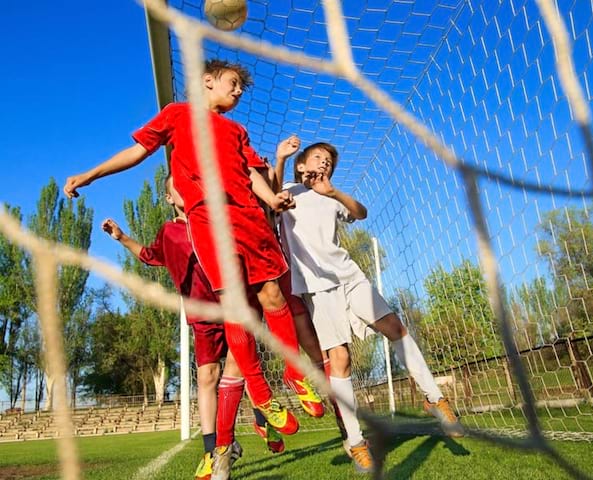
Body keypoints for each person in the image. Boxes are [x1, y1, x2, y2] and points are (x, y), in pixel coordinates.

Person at [63, 59, 324, 429]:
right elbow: (136, 151)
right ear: (207, 81)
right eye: (232, 83)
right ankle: (261, 393)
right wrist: (90, 174)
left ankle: (293, 373)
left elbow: (250, 173)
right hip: (210, 222)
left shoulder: (237, 131)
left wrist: (271, 198)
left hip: (249, 217)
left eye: (240, 88)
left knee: (273, 296)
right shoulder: (176, 115)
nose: (237, 91)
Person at [277, 142, 465, 473]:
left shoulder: (331, 196)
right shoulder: (287, 191)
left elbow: (360, 213)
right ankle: (354, 440)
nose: (325, 164)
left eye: (330, 162)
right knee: (341, 358)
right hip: (318, 287)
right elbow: (271, 192)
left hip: (350, 276)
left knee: (395, 327)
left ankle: (435, 397)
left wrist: (333, 192)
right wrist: (281, 159)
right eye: (319, 158)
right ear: (301, 164)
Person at [102, 175, 282, 480]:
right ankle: (213, 451)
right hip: (202, 316)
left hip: (236, 308)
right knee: (207, 377)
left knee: (243, 369)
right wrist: (121, 237)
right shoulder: (170, 233)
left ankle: (259, 421)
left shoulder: (219, 221)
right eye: (178, 187)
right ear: (170, 198)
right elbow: (149, 256)